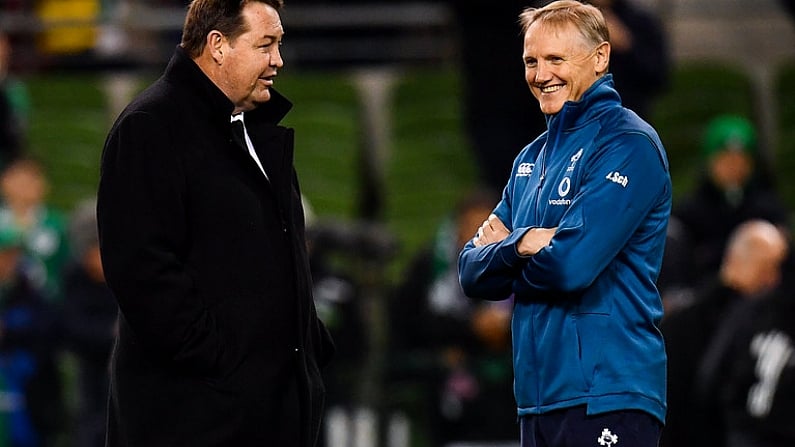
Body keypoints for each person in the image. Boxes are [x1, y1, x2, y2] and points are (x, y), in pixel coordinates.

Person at [96, 1, 334, 446]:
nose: (278, 60)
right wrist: (222, 362)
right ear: (218, 45)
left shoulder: (252, 126)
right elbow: (141, 271)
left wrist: (305, 346)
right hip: (192, 418)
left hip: (263, 413)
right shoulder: (150, 127)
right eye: (265, 44)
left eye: (279, 45)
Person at [457, 2, 671, 446]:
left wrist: (509, 253)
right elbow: (471, 273)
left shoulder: (628, 145)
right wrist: (525, 244)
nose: (540, 74)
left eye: (556, 59)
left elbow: (571, 266)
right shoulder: (529, 160)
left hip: (608, 394)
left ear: (600, 57)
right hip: (537, 399)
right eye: (531, 61)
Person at [390, 189, 516, 445]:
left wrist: (500, 329)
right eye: (471, 227)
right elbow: (412, 322)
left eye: (487, 227)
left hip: (508, 407)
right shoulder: (430, 267)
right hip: (447, 410)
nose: (479, 236)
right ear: (456, 228)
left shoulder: (518, 266)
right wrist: (472, 329)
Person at [661, 219, 790, 447]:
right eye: (768, 268)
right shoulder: (751, 324)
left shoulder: (679, 319)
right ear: (736, 260)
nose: (773, 279)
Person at [672, 114, 790, 290]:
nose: (734, 167)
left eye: (741, 160)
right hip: (705, 300)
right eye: (725, 160)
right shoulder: (688, 214)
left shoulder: (769, 210)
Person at [62, 198, 118, 447]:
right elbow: (72, 328)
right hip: (93, 374)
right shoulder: (75, 278)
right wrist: (113, 334)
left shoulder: (128, 274)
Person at [0, 157, 70, 303]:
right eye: (20, 179)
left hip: (45, 305)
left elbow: (66, 266)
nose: (24, 187)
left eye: (33, 180)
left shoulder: (56, 223)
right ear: (5, 181)